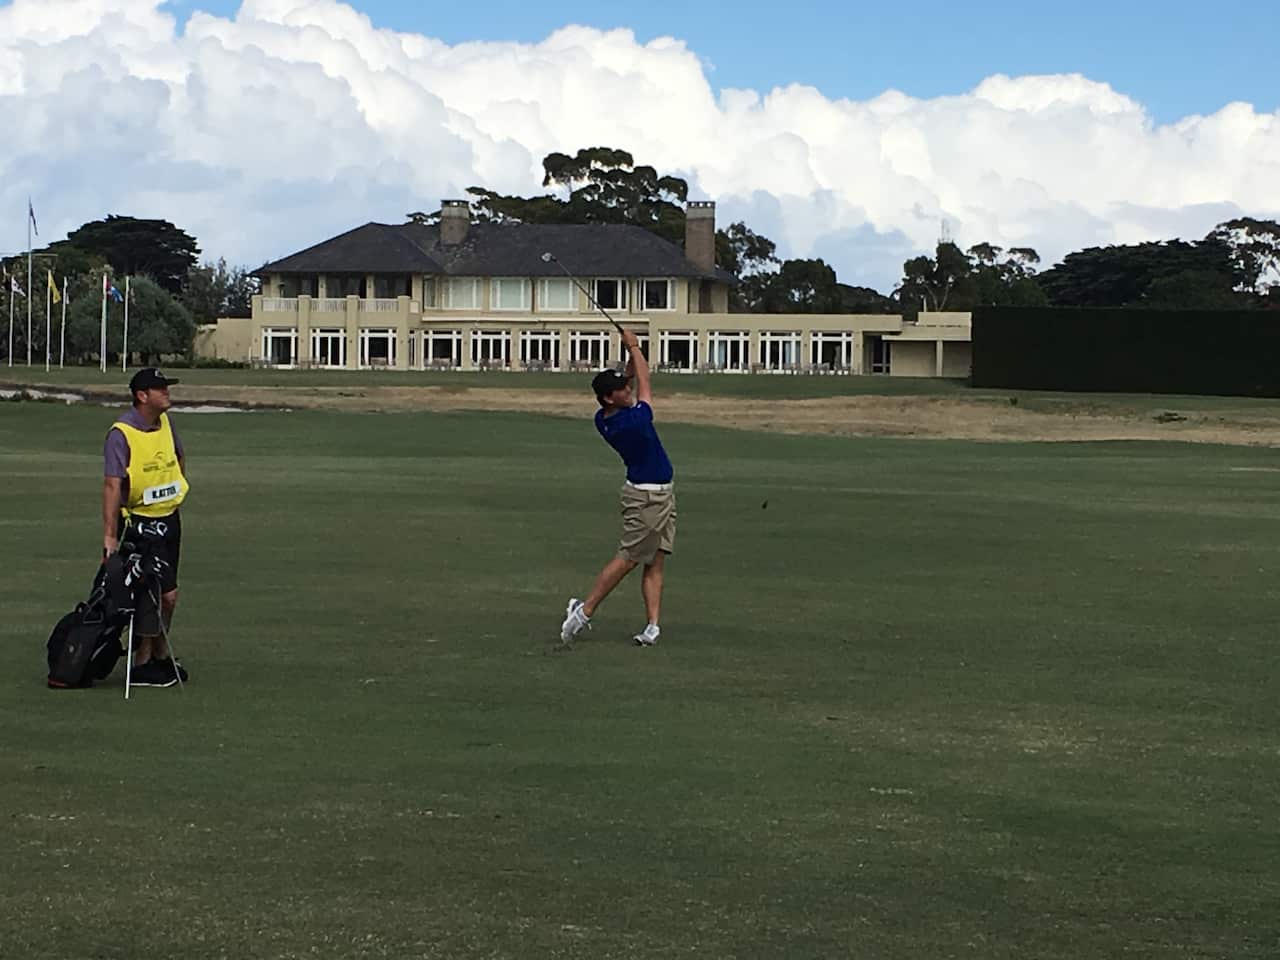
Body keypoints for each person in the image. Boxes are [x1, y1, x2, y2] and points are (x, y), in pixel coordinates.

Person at [560, 328, 676, 647]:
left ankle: (652, 626)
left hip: (661, 494)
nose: (629, 389)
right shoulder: (632, 421)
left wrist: (629, 354)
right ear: (610, 398)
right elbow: (646, 382)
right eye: (623, 389)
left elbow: (631, 376)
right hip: (647, 497)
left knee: (656, 559)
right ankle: (583, 612)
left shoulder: (606, 415)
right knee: (629, 558)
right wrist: (636, 346)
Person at [102, 368, 191, 687]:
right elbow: (113, 485)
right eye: (160, 388)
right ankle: (144, 660)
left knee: (166, 594)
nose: (167, 392)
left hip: (170, 518)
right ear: (142, 396)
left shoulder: (166, 422)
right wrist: (110, 535)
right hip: (141, 523)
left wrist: (176, 489)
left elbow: (179, 457)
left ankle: (155, 656)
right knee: (163, 596)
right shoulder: (121, 433)